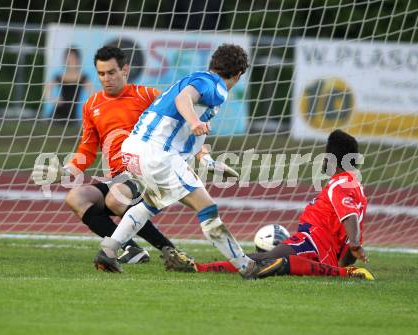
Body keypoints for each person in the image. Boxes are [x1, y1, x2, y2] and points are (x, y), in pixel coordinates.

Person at [93, 43, 273, 278]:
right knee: (207, 208)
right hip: (157, 154)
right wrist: (194, 122)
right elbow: (184, 99)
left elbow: (193, 132)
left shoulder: (199, 80)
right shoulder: (214, 86)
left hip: (133, 151)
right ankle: (247, 267)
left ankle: (108, 250)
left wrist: (208, 162)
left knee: (149, 204)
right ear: (238, 75)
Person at [162, 130, 375, 280]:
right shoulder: (356, 187)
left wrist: (354, 244)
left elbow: (350, 218)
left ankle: (197, 268)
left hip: (311, 245)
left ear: (331, 158)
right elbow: (347, 243)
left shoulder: (340, 184)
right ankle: (201, 266)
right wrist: (339, 264)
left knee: (263, 259)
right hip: (315, 247)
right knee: (264, 259)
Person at [34, 46, 180, 263]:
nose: (106, 78)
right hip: (119, 179)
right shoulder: (92, 105)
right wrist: (64, 172)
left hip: (146, 175)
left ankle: (169, 249)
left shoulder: (147, 95)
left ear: (125, 70)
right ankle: (132, 249)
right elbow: (87, 150)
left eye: (111, 72)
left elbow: (179, 114)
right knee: (76, 197)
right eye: (101, 74)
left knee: (115, 198)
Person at [44, 47, 93, 124]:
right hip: (56, 115)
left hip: (72, 117)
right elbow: (46, 90)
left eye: (72, 58)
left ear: (77, 59)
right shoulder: (59, 76)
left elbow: (92, 95)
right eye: (68, 58)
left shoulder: (83, 77)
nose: (70, 60)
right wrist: (53, 99)